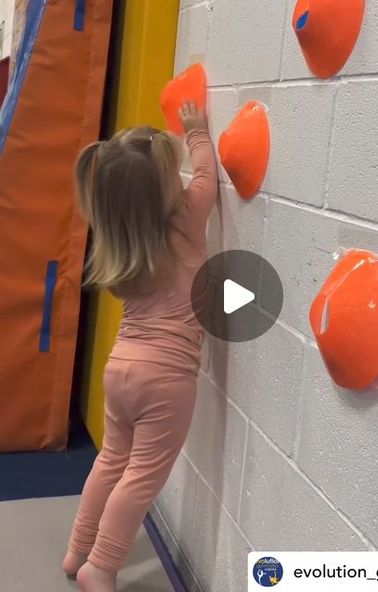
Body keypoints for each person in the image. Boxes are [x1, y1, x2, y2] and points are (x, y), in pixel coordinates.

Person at [62, 101, 218, 592]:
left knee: (110, 460)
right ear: (167, 189)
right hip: (166, 378)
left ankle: (76, 551)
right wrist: (197, 134)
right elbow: (209, 179)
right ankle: (101, 567)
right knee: (141, 478)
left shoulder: (121, 241)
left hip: (122, 367)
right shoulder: (186, 220)